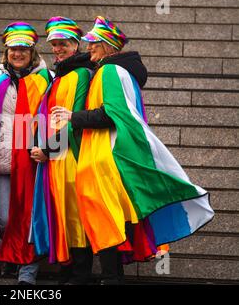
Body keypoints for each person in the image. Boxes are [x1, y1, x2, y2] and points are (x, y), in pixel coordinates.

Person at [52, 16, 215, 284]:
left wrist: (73, 116)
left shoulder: (108, 72)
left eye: (93, 43)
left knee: (104, 217)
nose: (89, 47)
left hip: (103, 159)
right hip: (102, 157)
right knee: (107, 218)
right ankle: (111, 276)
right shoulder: (115, 71)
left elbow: (112, 115)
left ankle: (111, 277)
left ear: (106, 46)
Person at [0, 22, 52, 285]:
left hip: (31, 161)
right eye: (13, 49)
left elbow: (51, 117)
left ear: (32, 51)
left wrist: (50, 150)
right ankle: (11, 255)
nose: (18, 53)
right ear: (6, 51)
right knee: (4, 218)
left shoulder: (44, 79)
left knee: (28, 217)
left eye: (23, 49)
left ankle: (27, 272)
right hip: (2, 159)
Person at [30, 16, 95, 285]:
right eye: (54, 44)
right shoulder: (60, 74)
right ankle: (69, 271)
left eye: (64, 44)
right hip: (56, 157)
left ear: (76, 45)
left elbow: (75, 120)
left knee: (75, 214)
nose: (58, 49)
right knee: (63, 213)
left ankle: (80, 274)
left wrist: (47, 148)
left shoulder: (80, 74)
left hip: (71, 155)